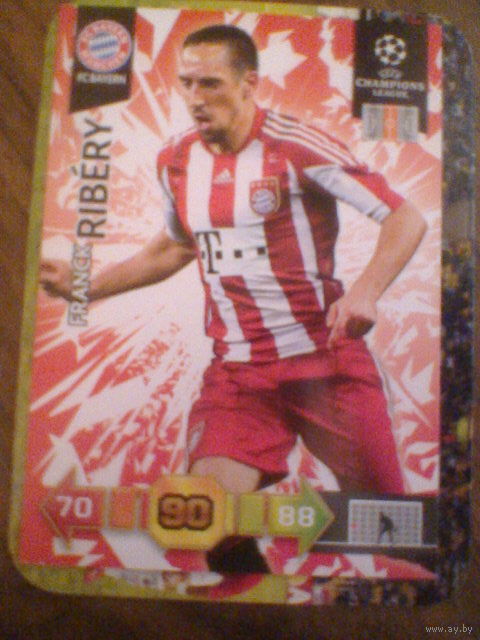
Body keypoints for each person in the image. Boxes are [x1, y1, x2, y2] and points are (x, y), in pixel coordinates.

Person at [41, 24, 426, 570]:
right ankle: (255, 591)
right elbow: (174, 248)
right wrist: (83, 285)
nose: (195, 98)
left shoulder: (297, 146)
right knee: (203, 521)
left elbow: (405, 217)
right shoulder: (175, 161)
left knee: (393, 533)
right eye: (186, 83)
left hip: (327, 366)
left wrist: (366, 291)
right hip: (240, 377)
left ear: (249, 83)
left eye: (211, 84)